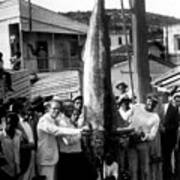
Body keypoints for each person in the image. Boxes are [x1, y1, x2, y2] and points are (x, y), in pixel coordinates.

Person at [36, 99, 82, 180]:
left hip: (52, 158)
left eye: (58, 109)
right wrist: (79, 131)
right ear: (48, 109)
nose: (56, 111)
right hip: (46, 160)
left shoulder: (52, 120)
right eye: (54, 108)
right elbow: (57, 131)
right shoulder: (44, 120)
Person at [127, 93, 160, 180]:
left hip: (143, 144)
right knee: (133, 169)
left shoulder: (155, 117)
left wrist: (143, 134)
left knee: (144, 169)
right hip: (131, 141)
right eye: (150, 100)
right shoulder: (137, 107)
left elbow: (152, 136)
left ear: (156, 104)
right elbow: (126, 117)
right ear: (146, 100)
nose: (151, 103)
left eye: (154, 102)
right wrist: (129, 125)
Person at [160, 93, 180, 180]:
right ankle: (165, 174)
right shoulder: (162, 108)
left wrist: (166, 128)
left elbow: (176, 125)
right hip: (162, 138)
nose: (178, 102)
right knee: (164, 158)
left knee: (171, 157)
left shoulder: (175, 110)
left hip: (171, 137)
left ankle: (171, 174)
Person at [0, 112, 21, 180]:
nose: (8, 126)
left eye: (11, 123)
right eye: (7, 123)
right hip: (4, 170)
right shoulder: (1, 136)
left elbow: (18, 150)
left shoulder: (19, 134)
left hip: (16, 170)